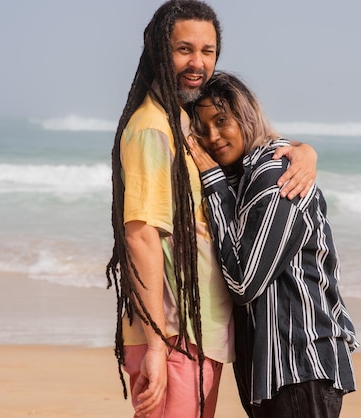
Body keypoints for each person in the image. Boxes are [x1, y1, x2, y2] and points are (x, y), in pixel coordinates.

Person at [105, 2, 318, 417]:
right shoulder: (153, 128)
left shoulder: (184, 122)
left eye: (208, 51)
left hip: (196, 332)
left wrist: (303, 151)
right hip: (173, 333)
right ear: (158, 50)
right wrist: (154, 344)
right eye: (184, 49)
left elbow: (245, 147)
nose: (197, 63)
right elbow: (141, 234)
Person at [185, 72, 358, 418]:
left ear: (246, 116)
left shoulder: (274, 174)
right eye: (203, 129)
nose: (213, 137)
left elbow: (243, 282)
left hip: (298, 364)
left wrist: (212, 181)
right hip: (275, 368)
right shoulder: (247, 178)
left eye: (222, 121)